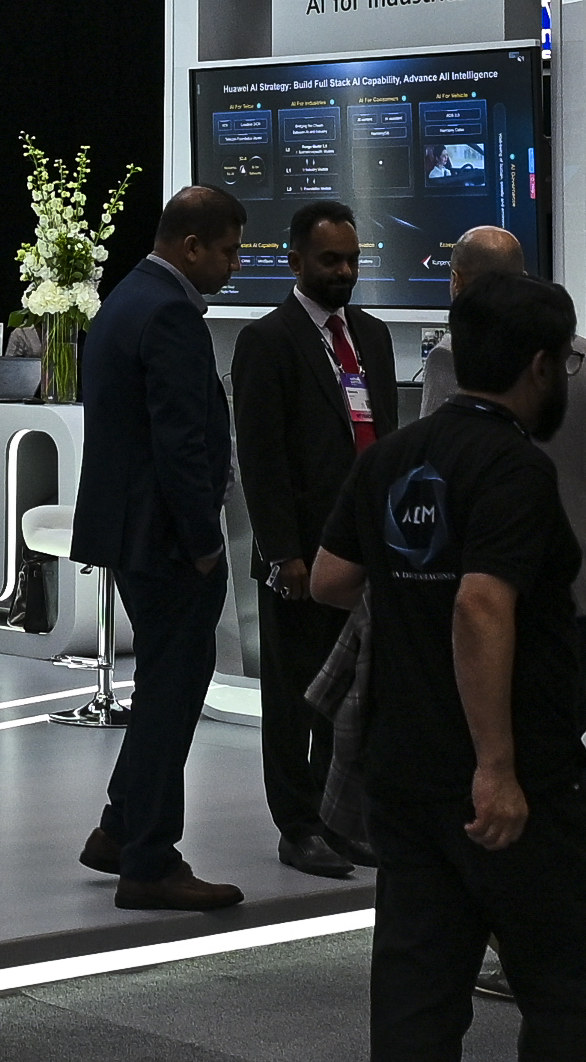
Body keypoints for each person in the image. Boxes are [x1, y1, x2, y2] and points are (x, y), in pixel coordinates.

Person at [314, 271, 586, 1062]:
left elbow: (329, 580)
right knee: (561, 988)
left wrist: (411, 588)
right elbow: (483, 603)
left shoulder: (394, 456)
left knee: (417, 999)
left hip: (405, 770)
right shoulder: (516, 469)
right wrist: (497, 768)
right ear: (542, 366)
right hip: (517, 785)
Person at [74, 186, 249, 912]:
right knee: (171, 696)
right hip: (168, 539)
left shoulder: (126, 297)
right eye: (229, 251)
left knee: (161, 690)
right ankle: (148, 859)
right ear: (190, 246)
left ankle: (119, 829)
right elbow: (177, 441)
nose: (233, 266)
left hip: (131, 532)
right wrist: (206, 542)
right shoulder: (170, 312)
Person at [230, 198, 397, 878]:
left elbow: (381, 439)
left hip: (363, 553)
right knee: (292, 695)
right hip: (299, 555)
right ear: (296, 260)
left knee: (350, 692)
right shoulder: (267, 341)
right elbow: (260, 458)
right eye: (330, 260)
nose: (344, 271)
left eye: (352, 259)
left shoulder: (375, 338)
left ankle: (338, 818)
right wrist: (283, 554)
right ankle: (295, 825)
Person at [421, 230, 586, 665]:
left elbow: (432, 478)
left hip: (496, 593)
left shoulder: (452, 357)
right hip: (583, 584)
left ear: (457, 283)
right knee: (561, 726)